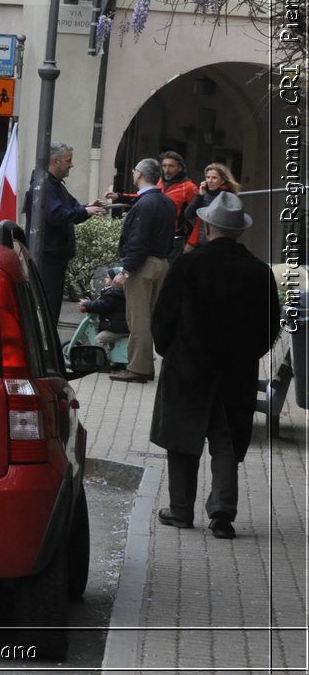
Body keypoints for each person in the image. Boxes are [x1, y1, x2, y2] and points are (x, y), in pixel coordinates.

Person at [150, 192, 278, 539]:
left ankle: (180, 511)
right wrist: (248, 354)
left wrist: (168, 350)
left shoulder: (188, 265)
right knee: (225, 441)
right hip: (235, 372)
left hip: (188, 368)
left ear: (207, 226)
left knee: (182, 439)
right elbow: (270, 326)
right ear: (238, 232)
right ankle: (222, 511)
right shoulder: (259, 272)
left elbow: (163, 318)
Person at [108, 157, 178, 384]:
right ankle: (145, 366)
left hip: (143, 266)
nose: (133, 173)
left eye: (134, 170)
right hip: (161, 263)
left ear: (139, 175)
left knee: (138, 319)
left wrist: (125, 271)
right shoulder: (166, 202)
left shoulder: (145, 205)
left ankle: (137, 368)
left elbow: (138, 241)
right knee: (149, 318)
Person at [23, 143, 104, 325]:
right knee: (46, 310)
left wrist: (87, 208)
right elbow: (55, 215)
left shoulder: (56, 186)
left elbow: (72, 211)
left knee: (51, 309)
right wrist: (84, 211)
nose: (71, 165)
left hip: (55, 258)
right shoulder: (44, 186)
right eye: (68, 161)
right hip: (47, 258)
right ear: (55, 161)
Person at [185, 163, 242, 251]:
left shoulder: (228, 197)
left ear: (222, 180)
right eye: (208, 177)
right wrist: (199, 196)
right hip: (200, 242)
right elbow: (188, 214)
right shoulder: (204, 194)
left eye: (214, 178)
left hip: (220, 244)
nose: (210, 181)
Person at [157, 151, 200, 256]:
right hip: (156, 236)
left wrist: (192, 242)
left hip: (176, 239)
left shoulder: (190, 188)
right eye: (164, 166)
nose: (167, 170)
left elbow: (199, 217)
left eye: (171, 166)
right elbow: (145, 198)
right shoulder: (159, 182)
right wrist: (120, 196)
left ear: (180, 168)